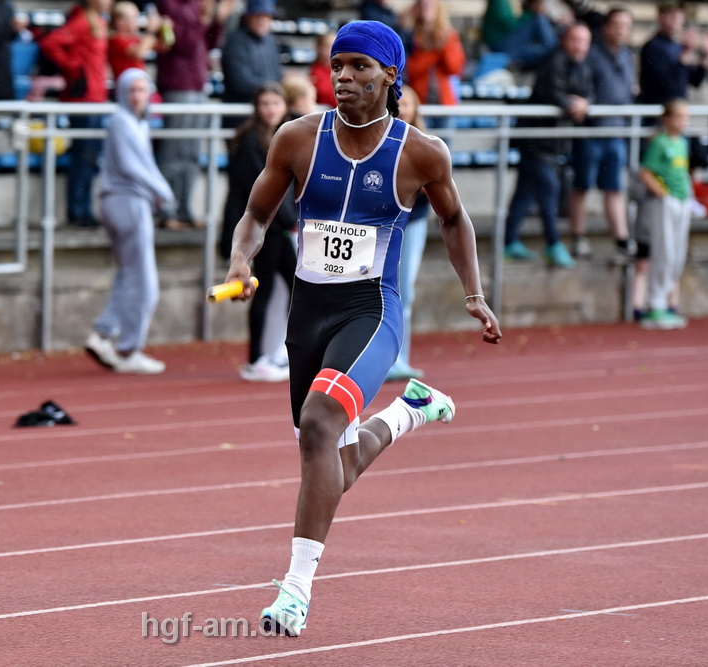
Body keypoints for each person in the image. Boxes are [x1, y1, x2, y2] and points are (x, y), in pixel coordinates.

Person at [223, 20, 501, 636]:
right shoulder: (296, 138)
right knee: (325, 453)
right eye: (337, 65)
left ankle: (294, 590)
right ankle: (407, 413)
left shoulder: (420, 152)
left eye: (358, 66)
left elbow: (455, 221)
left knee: (320, 425)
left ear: (389, 75)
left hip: (370, 313)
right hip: (308, 315)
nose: (343, 77)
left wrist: (474, 294)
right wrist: (241, 260)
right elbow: (255, 213)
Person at [83, 68, 173, 374]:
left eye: (142, 89)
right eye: (132, 90)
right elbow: (133, 166)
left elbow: (142, 164)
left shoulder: (137, 123)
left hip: (128, 200)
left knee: (127, 275)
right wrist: (163, 191)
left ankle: (104, 333)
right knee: (145, 282)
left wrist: (159, 191)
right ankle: (127, 348)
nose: (137, 96)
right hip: (127, 202)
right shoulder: (121, 121)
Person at [503, 22, 592, 269]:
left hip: (553, 141)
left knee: (525, 191)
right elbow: (554, 93)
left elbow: (589, 91)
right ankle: (553, 243)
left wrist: (584, 102)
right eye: (575, 40)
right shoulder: (555, 60)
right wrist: (573, 105)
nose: (579, 46)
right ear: (565, 40)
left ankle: (509, 241)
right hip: (536, 138)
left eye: (584, 41)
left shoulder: (582, 66)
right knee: (549, 187)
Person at [223, 82, 294, 383]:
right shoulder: (250, 140)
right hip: (263, 229)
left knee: (296, 285)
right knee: (265, 289)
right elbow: (263, 191)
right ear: (257, 108)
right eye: (265, 104)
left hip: (275, 226)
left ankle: (276, 352)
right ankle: (256, 359)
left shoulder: (285, 135)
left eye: (275, 104)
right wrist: (292, 219)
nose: (270, 109)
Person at [154, 0, 235, 230]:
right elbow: (183, 44)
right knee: (174, 153)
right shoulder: (168, 5)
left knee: (191, 154)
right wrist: (205, 19)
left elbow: (207, 42)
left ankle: (184, 209)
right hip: (178, 85)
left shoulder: (196, 6)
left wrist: (217, 21)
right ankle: (166, 210)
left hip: (198, 85)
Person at [568, 7, 634, 260]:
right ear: (605, 27)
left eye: (626, 26)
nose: (621, 30)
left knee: (614, 188)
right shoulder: (591, 54)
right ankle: (578, 237)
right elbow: (582, 87)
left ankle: (621, 238)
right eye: (616, 24)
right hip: (591, 131)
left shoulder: (626, 55)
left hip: (616, 131)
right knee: (582, 185)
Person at [39, 0, 112, 228]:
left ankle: (84, 208)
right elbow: (50, 43)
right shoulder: (81, 21)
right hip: (84, 98)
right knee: (83, 157)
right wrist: (73, 66)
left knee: (90, 157)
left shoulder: (97, 22)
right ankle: (78, 210)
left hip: (96, 97)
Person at [635, 98, 692, 331]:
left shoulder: (682, 143)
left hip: (682, 201)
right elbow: (646, 172)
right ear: (667, 119)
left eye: (686, 117)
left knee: (677, 254)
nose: (683, 122)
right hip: (665, 202)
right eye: (678, 116)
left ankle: (666, 300)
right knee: (664, 251)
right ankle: (655, 303)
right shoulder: (659, 142)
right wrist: (662, 194)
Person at [387, 86, 430, 381]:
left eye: (410, 103)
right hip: (382, 224)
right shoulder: (379, 139)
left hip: (412, 223)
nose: (404, 108)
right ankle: (383, 358)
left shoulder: (425, 144)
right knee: (382, 292)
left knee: (406, 291)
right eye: (400, 103)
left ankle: (401, 358)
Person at [401, 0, 464, 129]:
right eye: (423, 5)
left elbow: (455, 68)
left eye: (429, 5)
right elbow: (411, 69)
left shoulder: (448, 35)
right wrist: (435, 53)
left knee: (445, 146)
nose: (426, 9)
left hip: (444, 103)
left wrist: (444, 42)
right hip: (420, 102)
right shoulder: (410, 35)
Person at [220, 0, 282, 127]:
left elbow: (277, 73)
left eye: (266, 16)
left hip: (265, 116)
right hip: (241, 116)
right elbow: (240, 83)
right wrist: (272, 90)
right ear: (248, 17)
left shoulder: (270, 41)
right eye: (258, 15)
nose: (262, 20)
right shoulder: (235, 41)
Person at [107, 0, 164, 78]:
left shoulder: (135, 37)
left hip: (139, 83)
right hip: (127, 86)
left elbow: (162, 46)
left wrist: (165, 28)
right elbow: (139, 53)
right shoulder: (115, 39)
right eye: (132, 18)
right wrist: (150, 31)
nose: (136, 21)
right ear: (119, 22)